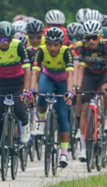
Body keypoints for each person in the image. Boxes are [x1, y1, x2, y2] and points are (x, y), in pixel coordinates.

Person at [0, 21, 33, 173]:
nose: (6, 43)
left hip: (18, 82)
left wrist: (26, 90)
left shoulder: (18, 46)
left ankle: (25, 125)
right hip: (1, 82)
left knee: (19, 108)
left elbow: (27, 70)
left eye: (9, 39)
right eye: (3, 39)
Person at [72, 19, 107, 160]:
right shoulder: (80, 46)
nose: (91, 41)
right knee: (85, 107)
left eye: (94, 37)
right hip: (89, 75)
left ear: (100, 36)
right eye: (88, 38)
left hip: (104, 74)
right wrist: (76, 85)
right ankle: (83, 149)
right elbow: (77, 66)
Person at [32, 26, 75, 168]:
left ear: (61, 44)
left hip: (63, 81)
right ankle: (42, 120)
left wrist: (69, 91)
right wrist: (32, 89)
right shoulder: (41, 50)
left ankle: (64, 153)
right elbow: (35, 72)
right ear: (45, 43)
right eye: (49, 44)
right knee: (42, 95)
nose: (52, 48)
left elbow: (70, 74)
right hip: (48, 76)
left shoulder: (66, 52)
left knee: (62, 115)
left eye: (56, 45)